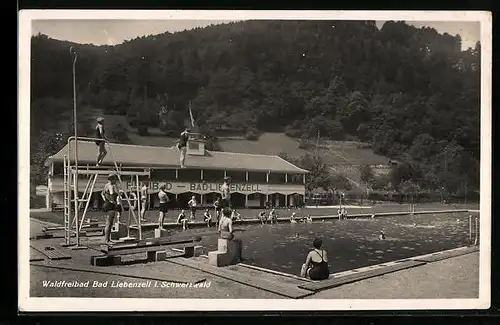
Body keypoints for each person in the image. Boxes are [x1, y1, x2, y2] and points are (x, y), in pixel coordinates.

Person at [101, 174, 118, 244]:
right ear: (113, 179)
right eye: (115, 179)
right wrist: (113, 201)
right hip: (110, 205)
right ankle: (106, 240)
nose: (116, 181)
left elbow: (102, 193)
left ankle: (107, 239)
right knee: (109, 223)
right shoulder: (111, 186)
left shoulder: (106, 185)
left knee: (108, 223)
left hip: (106, 204)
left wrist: (106, 199)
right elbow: (111, 193)